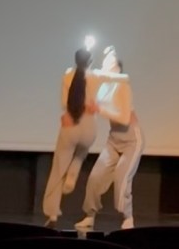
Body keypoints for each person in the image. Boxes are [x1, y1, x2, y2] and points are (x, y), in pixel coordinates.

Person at [41, 46, 128, 227]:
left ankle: (52, 213)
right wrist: (111, 59)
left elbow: (64, 103)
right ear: (90, 61)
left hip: (70, 124)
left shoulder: (67, 75)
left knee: (58, 169)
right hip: (89, 127)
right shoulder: (96, 76)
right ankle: (73, 173)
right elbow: (121, 78)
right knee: (81, 153)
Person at [75, 46, 144, 234]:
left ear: (117, 69)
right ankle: (90, 215)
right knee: (95, 178)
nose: (106, 68)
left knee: (122, 178)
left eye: (110, 65)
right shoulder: (104, 87)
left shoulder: (123, 87)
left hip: (132, 141)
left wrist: (99, 109)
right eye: (105, 64)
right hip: (114, 141)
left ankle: (128, 218)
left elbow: (123, 118)